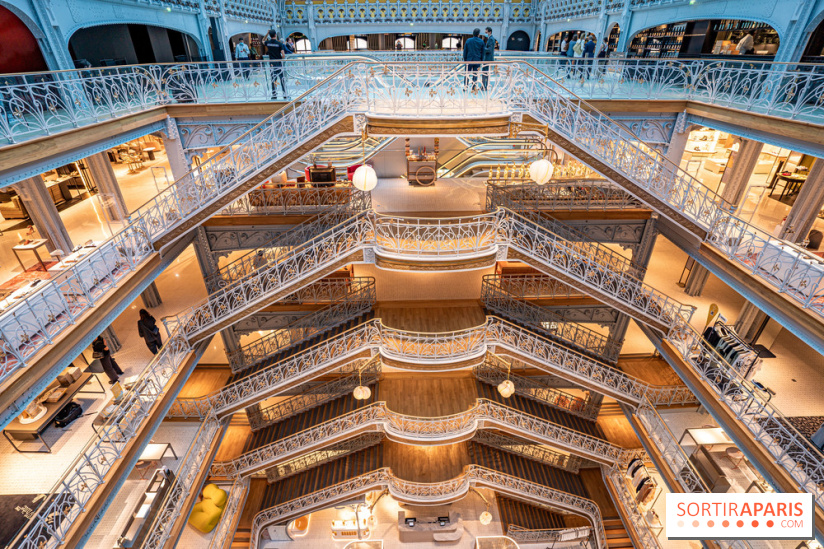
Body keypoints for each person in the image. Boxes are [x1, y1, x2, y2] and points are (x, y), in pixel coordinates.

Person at [264, 30, 288, 100]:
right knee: (282, 79)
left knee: (273, 79)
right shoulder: (279, 44)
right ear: (275, 35)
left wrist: (267, 33)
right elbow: (283, 55)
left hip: (272, 64)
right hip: (279, 63)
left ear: (270, 35)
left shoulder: (268, 43)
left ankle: (274, 95)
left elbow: (263, 40)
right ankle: (285, 94)